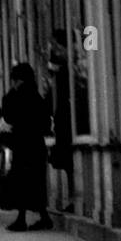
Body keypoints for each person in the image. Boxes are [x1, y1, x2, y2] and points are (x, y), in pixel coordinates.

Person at [0, 62, 53, 232]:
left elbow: (7, 115)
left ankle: (21, 219)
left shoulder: (15, 97)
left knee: (22, 182)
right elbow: (45, 123)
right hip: (37, 145)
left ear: (16, 80)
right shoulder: (37, 97)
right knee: (36, 182)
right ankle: (44, 217)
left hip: (22, 145)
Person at [47, 38, 74, 213]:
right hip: (65, 123)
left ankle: (72, 198)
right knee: (67, 164)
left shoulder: (64, 75)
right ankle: (71, 198)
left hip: (66, 123)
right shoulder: (66, 73)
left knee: (67, 163)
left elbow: (51, 99)